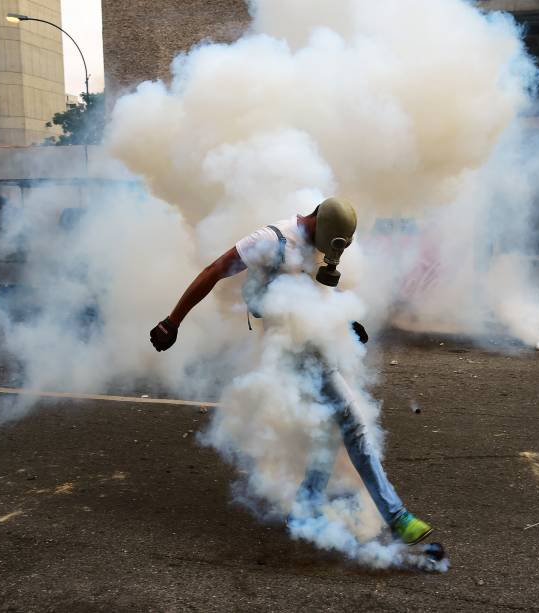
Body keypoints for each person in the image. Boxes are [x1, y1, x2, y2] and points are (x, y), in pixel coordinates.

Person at [149, 198, 434, 546]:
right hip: (290, 351)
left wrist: (346, 324)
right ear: (317, 225)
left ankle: (305, 508)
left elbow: (315, 293)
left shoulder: (320, 244)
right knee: (353, 423)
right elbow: (215, 269)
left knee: (330, 430)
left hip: (314, 345)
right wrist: (172, 320)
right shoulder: (270, 241)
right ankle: (397, 517)